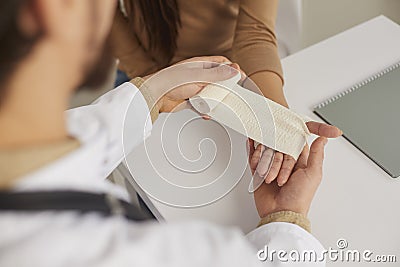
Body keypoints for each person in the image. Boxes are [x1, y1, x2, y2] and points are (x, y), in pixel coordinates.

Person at [0, 0, 342, 266]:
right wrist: (287, 219)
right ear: (52, 9)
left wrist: (153, 93)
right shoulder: (133, 250)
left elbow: (58, 156)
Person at [111, 0, 307, 187]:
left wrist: (277, 120)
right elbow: (107, 14)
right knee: (144, 186)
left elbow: (254, 33)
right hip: (144, 71)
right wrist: (159, 83)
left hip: (223, 74)